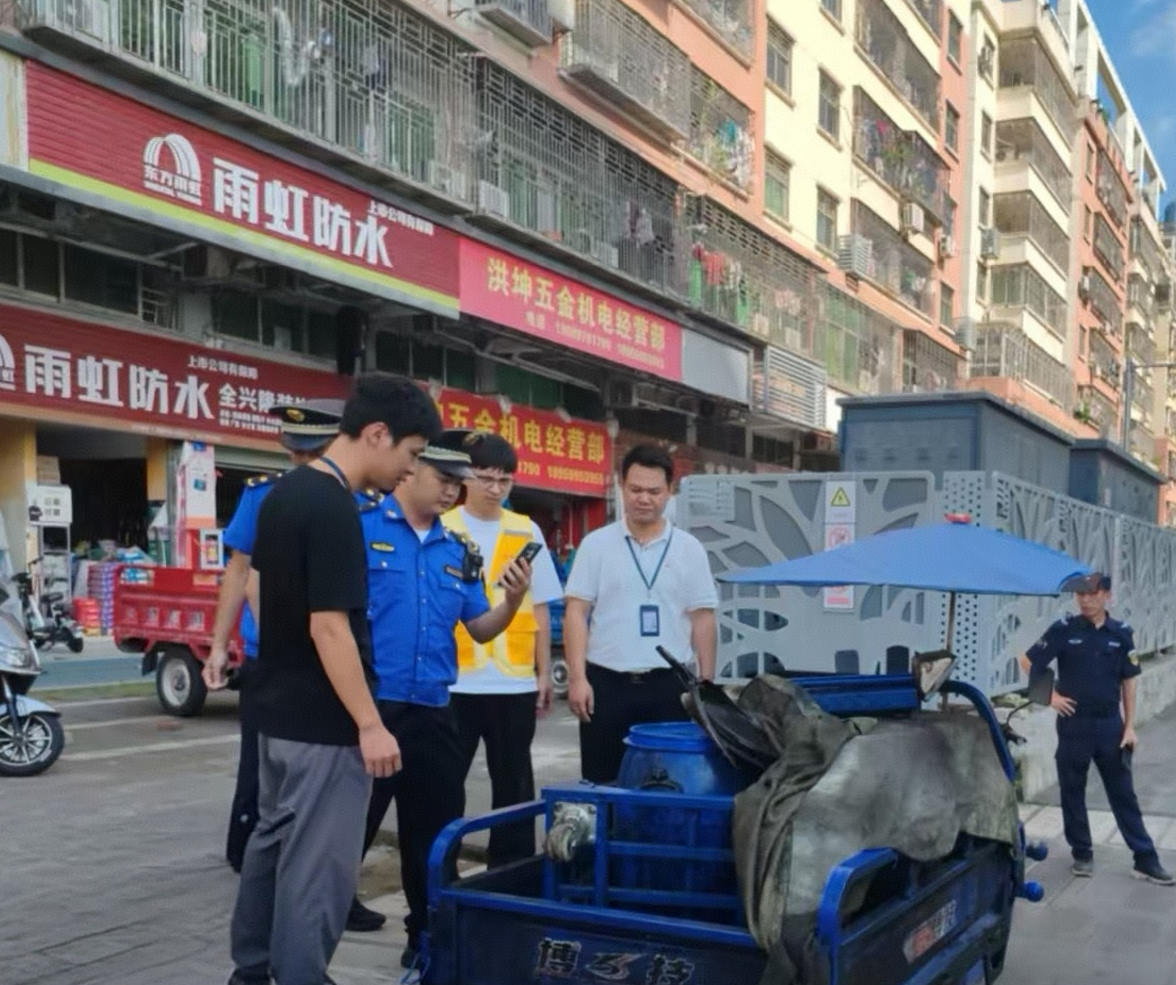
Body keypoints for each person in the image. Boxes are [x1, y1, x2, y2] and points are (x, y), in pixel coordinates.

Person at [206, 372, 443, 985]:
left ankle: (253, 971)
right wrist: (370, 723)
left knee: (270, 845)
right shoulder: (336, 507)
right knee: (320, 867)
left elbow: (261, 591)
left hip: (275, 716)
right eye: (412, 456)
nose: (408, 472)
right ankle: (302, 975)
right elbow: (330, 628)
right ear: (377, 433)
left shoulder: (281, 494)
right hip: (324, 728)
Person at [346, 430, 534, 965]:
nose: (453, 492)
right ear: (410, 470)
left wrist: (512, 600)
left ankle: (424, 941)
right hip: (375, 709)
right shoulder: (362, 530)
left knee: (431, 838)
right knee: (347, 830)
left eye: (459, 482)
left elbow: (479, 626)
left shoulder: (459, 551)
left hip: (433, 711)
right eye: (444, 479)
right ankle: (309, 936)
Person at [205, 398, 344, 873]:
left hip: (330, 655)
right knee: (260, 765)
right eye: (296, 455)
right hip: (271, 658)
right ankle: (247, 856)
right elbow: (238, 571)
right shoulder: (264, 496)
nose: (303, 465)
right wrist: (220, 645)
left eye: (314, 453)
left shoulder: (357, 501)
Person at [440, 431, 564, 865]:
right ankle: (441, 872)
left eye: (504, 480)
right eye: (485, 477)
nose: (495, 488)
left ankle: (510, 871)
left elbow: (543, 606)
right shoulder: (443, 526)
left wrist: (543, 671)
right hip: (455, 681)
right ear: (464, 477)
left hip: (512, 681)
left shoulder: (525, 530)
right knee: (444, 784)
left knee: (513, 784)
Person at [564, 444, 718, 783]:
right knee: (602, 782)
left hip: (669, 685)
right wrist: (577, 678)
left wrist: (707, 682)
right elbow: (576, 612)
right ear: (622, 487)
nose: (644, 499)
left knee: (669, 781)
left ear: (670, 492)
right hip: (606, 683)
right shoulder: (596, 545)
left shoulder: (689, 549)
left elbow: (703, 617)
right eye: (635, 490)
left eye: (654, 491)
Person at [1024, 573, 1173, 886]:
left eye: (1091, 594)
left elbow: (1128, 680)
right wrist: (1050, 698)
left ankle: (1145, 859)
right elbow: (1028, 661)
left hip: (1109, 726)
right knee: (1072, 789)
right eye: (1080, 595)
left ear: (1106, 595)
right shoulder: (1064, 630)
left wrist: (1129, 726)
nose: (1085, 600)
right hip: (1074, 723)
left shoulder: (1121, 634)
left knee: (1123, 794)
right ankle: (1082, 852)